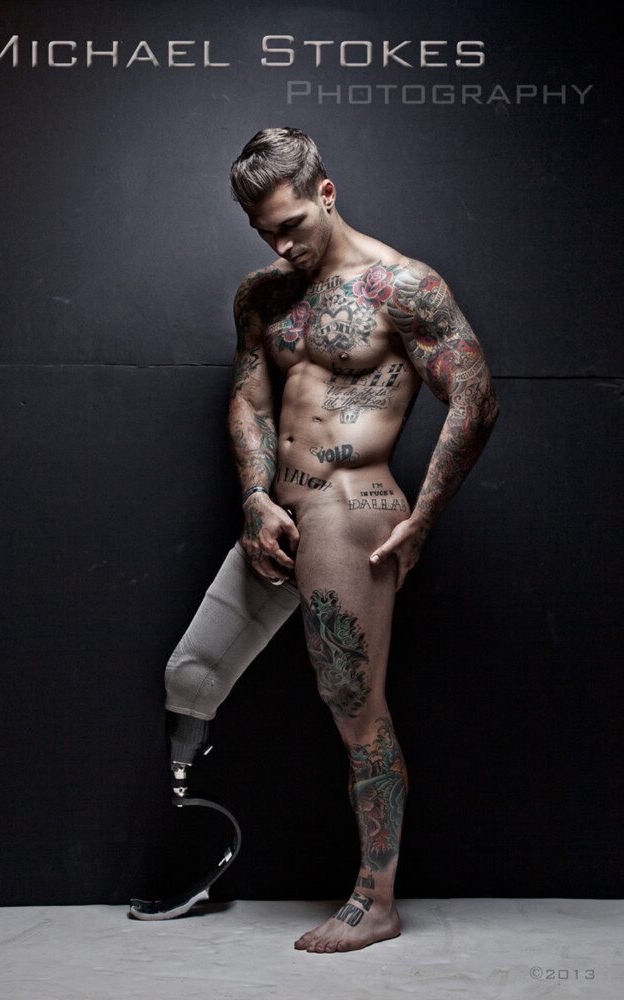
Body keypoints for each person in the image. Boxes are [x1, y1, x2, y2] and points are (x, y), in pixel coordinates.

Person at [162, 127, 499, 953]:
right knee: (189, 674)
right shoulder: (262, 296)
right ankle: (183, 828)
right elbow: (249, 400)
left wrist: (424, 516)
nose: (282, 245)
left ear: (326, 193)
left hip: (352, 511)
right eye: (264, 233)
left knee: (353, 706)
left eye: (291, 225)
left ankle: (376, 901)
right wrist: (252, 496)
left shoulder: (402, 287)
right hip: (278, 515)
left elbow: (475, 396)